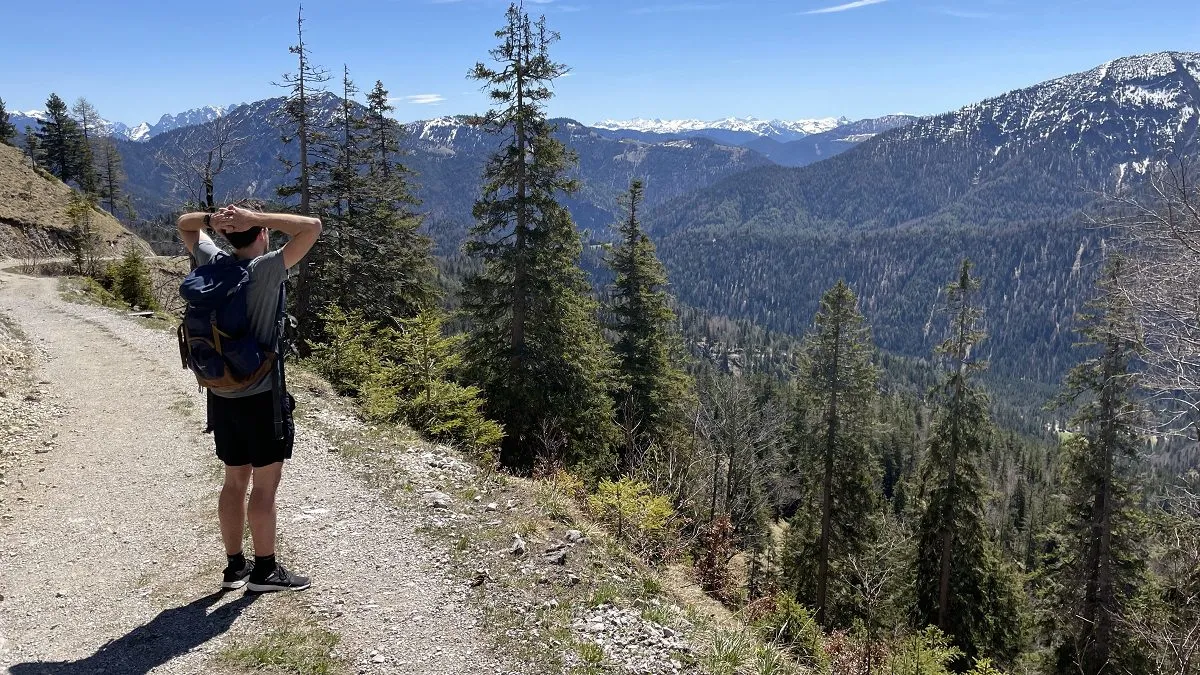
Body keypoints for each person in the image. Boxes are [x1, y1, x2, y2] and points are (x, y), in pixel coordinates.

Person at [177, 204, 321, 593]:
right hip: (261, 395)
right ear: (259, 233)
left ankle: (234, 567)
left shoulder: (213, 260)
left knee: (234, 480)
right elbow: (312, 227)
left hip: (221, 392)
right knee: (265, 485)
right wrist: (258, 217)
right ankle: (265, 570)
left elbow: (185, 226)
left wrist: (212, 221)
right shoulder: (267, 269)